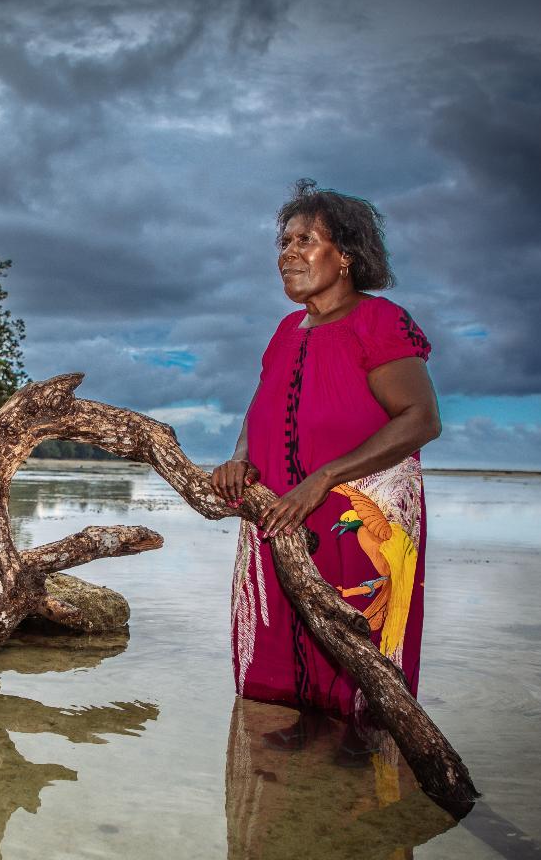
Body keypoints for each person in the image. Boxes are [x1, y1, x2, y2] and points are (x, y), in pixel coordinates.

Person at [211, 179, 441, 760]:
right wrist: (239, 459)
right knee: (293, 627)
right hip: (283, 509)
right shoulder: (286, 331)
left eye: (305, 240)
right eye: (284, 241)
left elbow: (420, 419)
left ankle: (363, 749)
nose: (287, 253)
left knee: (357, 625)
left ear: (347, 257)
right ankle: (310, 737)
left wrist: (323, 479)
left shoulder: (379, 321)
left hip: (359, 511)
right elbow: (260, 407)